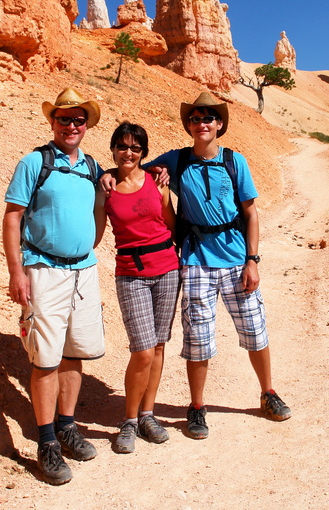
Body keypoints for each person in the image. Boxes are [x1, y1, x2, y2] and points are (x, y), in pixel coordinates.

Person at [145, 91, 291, 439]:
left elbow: (251, 213)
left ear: (219, 124)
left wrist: (252, 261)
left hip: (236, 259)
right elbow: (136, 169)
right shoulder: (178, 160)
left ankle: (267, 393)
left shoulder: (234, 161)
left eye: (208, 118)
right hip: (195, 260)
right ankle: (196, 407)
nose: (201, 124)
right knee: (197, 338)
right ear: (189, 125)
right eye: (195, 119)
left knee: (254, 329)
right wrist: (109, 175)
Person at [2, 87, 104, 485]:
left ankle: (67, 425)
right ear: (52, 122)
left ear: (86, 125)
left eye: (79, 119)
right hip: (43, 270)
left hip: (84, 270)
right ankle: (46, 442)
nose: (71, 125)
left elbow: (102, 203)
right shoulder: (34, 162)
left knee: (73, 352)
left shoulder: (92, 166)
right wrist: (17, 271)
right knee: (45, 357)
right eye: (64, 119)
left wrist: (89, 243)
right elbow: (13, 218)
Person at [94, 122, 180, 454]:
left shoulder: (157, 183)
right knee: (142, 350)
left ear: (143, 152)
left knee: (158, 347)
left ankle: (147, 414)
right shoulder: (107, 187)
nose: (128, 153)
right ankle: (128, 421)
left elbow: (171, 223)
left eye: (135, 148)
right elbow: (97, 234)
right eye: (122, 146)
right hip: (130, 272)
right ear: (113, 149)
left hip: (167, 268)